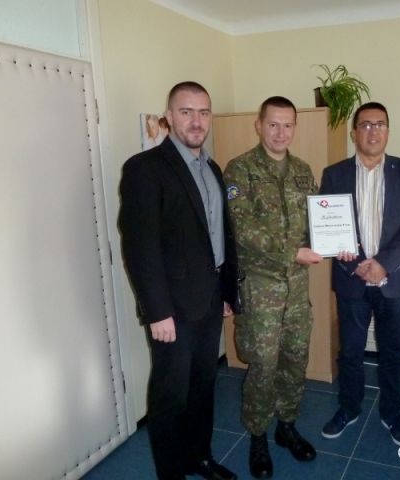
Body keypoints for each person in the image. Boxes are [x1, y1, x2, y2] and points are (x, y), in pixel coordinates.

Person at [118, 81, 239, 480]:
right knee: (170, 396)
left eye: (203, 112)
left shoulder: (213, 169)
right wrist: (157, 312)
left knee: (204, 385)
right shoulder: (145, 168)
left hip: (209, 300)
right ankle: (171, 474)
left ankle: (199, 457)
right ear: (169, 117)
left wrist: (226, 291)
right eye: (186, 112)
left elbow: (218, 236)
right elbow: (140, 247)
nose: (196, 121)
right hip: (172, 309)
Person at [223, 96, 322, 479]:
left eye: (288, 125)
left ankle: (287, 425)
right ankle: (258, 434)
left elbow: (317, 220)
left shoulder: (302, 171)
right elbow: (242, 229)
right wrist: (292, 252)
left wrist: (335, 241)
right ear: (259, 125)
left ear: (295, 127)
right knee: (263, 365)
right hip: (261, 288)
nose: (281, 133)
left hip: (297, 288)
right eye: (273, 124)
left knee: (295, 359)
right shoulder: (240, 170)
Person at [319, 102, 400, 446]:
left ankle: (392, 413)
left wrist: (382, 263)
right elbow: (327, 226)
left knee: (393, 352)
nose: (373, 131)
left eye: (379, 124)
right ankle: (348, 408)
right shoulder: (334, 174)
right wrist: (354, 263)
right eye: (365, 125)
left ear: (388, 131)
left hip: (394, 279)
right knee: (350, 351)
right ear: (354, 133)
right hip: (351, 279)